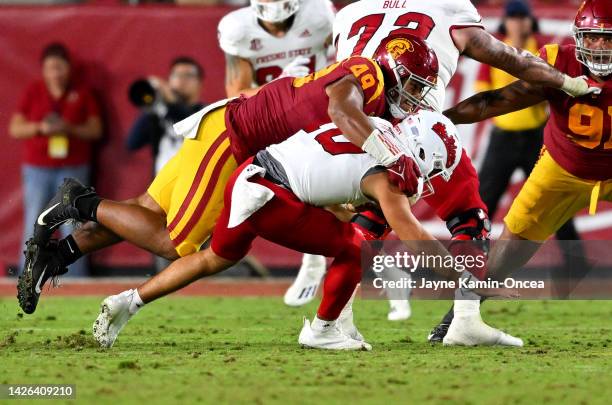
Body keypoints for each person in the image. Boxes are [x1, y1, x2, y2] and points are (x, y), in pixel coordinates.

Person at [17, 35, 437, 315]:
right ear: (395, 68)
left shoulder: (371, 101)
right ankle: (78, 201)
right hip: (234, 141)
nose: (417, 97)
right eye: (416, 85)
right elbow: (340, 109)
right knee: (175, 243)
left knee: (144, 213)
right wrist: (390, 155)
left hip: (230, 130)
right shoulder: (369, 78)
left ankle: (62, 252)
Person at [92, 111, 521, 350]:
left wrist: (340, 205)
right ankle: (322, 330)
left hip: (251, 176)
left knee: (211, 258)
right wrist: (458, 278)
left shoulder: (373, 125)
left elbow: (323, 169)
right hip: (272, 194)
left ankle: (129, 300)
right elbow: (410, 231)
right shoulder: (391, 173)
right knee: (356, 249)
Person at [332, 0, 600, 345]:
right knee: (469, 219)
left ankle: (331, 320)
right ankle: (464, 319)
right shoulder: (450, 7)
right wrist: (568, 82)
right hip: (417, 127)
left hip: (352, 125)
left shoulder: (349, 12)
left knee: (368, 218)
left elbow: (335, 80)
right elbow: (504, 60)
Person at [436, 0, 612, 345]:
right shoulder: (558, 63)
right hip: (564, 168)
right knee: (509, 247)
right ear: (579, 37)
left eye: (608, 39)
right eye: (593, 38)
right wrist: (442, 118)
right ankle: (457, 318)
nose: (601, 47)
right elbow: (496, 100)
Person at [218, 0, 335, 301]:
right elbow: (237, 93)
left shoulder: (319, 13)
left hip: (322, 109)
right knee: (287, 188)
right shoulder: (238, 28)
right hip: (272, 117)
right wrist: (283, 85)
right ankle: (315, 255)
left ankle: (329, 258)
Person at [9, 43, 102, 278]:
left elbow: (95, 130)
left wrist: (68, 128)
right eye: (51, 68)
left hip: (73, 168)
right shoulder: (34, 91)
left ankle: (76, 279)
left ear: (68, 69)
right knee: (34, 221)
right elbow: (15, 128)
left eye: (60, 67)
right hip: (37, 168)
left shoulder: (82, 93)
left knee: (73, 222)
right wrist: (41, 127)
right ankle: (28, 276)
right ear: (43, 70)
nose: (56, 73)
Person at [218, 0, 335, 98]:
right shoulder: (238, 29)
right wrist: (278, 85)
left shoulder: (320, 14)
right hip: (269, 109)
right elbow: (236, 96)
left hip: (317, 99)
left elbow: (347, 62)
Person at [126, 56, 205, 175]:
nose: (181, 81)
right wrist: (150, 106)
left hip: (191, 185)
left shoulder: (205, 112)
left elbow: (188, 121)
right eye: (176, 75)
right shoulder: (160, 112)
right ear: (169, 80)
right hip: (161, 188)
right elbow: (132, 143)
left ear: (199, 83)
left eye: (188, 76)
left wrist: (172, 101)